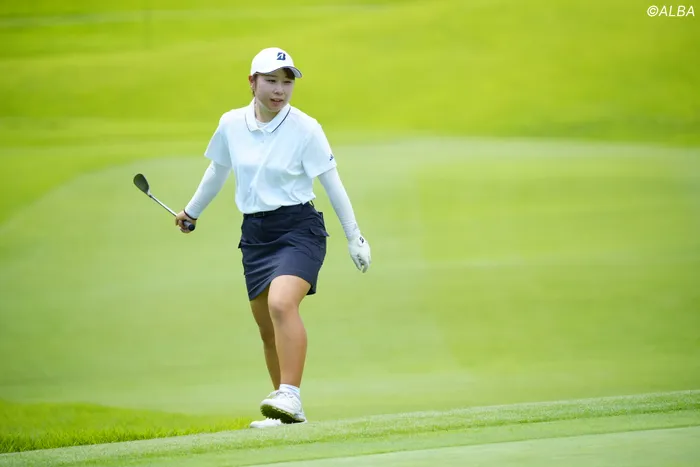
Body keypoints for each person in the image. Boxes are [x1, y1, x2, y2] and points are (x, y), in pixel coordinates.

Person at [174, 47, 371, 429]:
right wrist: (192, 211)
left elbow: (332, 183)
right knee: (268, 328)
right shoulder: (231, 123)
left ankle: (291, 395)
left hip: (299, 229)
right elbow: (218, 170)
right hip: (255, 235)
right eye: (271, 81)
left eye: (286, 83)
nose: (280, 90)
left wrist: (354, 237)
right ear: (252, 82)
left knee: (282, 304)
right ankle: (287, 414)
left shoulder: (306, 128)